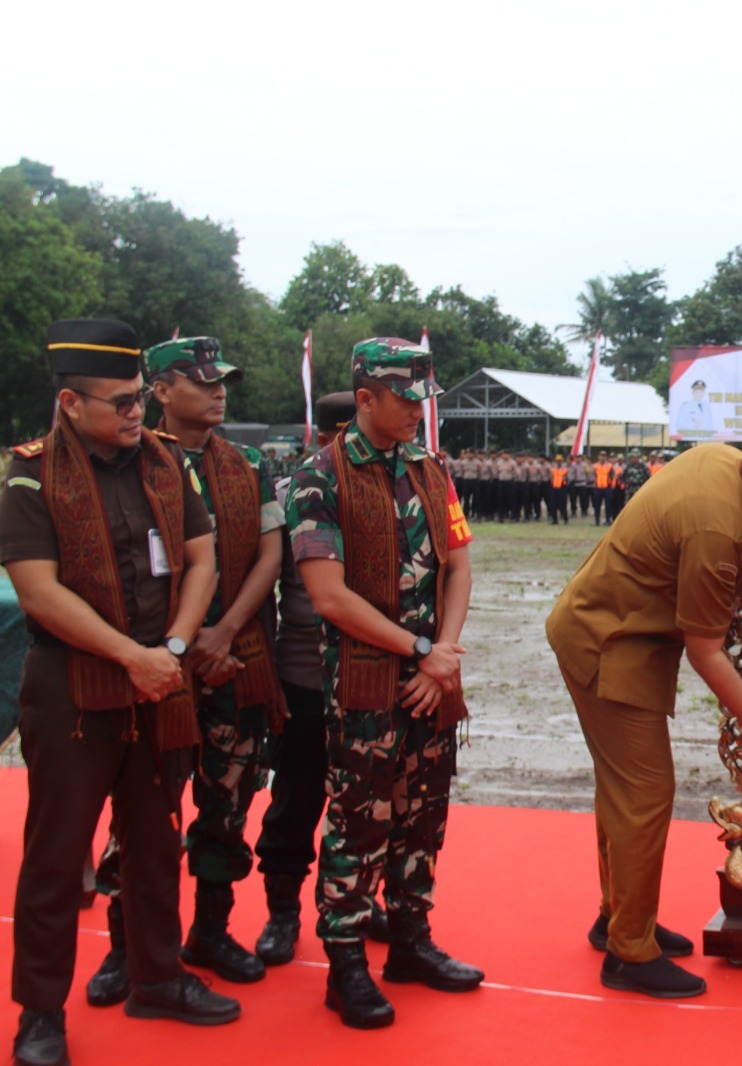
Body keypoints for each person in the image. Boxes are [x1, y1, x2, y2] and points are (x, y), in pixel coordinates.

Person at [2, 319, 240, 1066]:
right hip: (70, 688)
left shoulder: (168, 464)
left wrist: (169, 648)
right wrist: (130, 656)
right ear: (71, 403)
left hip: (159, 680)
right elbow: (38, 593)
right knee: (56, 852)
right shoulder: (28, 474)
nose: (138, 413)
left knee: (155, 838)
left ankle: (157, 977)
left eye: (141, 398)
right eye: (121, 403)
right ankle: (40, 1012)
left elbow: (202, 561)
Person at [545, 416, 742, 999]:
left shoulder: (722, 461)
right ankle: (629, 954)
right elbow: (707, 652)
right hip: (607, 642)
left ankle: (617, 919)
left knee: (623, 788)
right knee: (646, 793)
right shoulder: (717, 526)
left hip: (621, 632)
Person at [288, 338, 482, 1029]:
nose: (415, 413)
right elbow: (330, 598)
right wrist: (423, 650)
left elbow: (458, 565)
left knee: (423, 815)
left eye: (421, 400)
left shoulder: (431, 470)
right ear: (364, 397)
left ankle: (410, 941)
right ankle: (345, 963)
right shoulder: (320, 477)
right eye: (404, 400)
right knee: (358, 822)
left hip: (433, 677)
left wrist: (446, 653)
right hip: (369, 684)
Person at [86, 336, 287, 990]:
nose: (218, 390)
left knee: (227, 802)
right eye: (201, 381)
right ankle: (128, 945)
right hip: (159, 663)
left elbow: (270, 554)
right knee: (142, 808)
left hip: (235, 658)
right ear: (161, 392)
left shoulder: (248, 463)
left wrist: (223, 633)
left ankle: (210, 930)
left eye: (222, 378)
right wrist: (185, 638)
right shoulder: (130, 463)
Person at [254, 392, 390, 966]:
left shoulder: (392, 495)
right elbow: (263, 593)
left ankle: (359, 900)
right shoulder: (293, 498)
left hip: (371, 677)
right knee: (298, 798)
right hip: (306, 678)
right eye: (337, 438)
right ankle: (282, 910)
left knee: (367, 803)